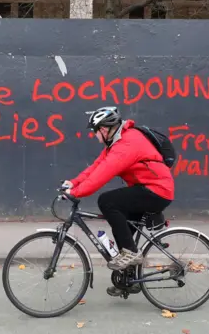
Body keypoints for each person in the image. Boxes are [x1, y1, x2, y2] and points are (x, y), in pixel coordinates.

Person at [60, 106, 174, 297]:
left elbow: (102, 175)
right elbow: (97, 167)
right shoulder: (116, 142)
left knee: (108, 201)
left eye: (95, 132)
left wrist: (76, 192)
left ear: (103, 130)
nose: (94, 136)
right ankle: (127, 280)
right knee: (122, 226)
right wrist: (73, 182)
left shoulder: (127, 144)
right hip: (146, 188)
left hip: (157, 191)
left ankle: (130, 253)